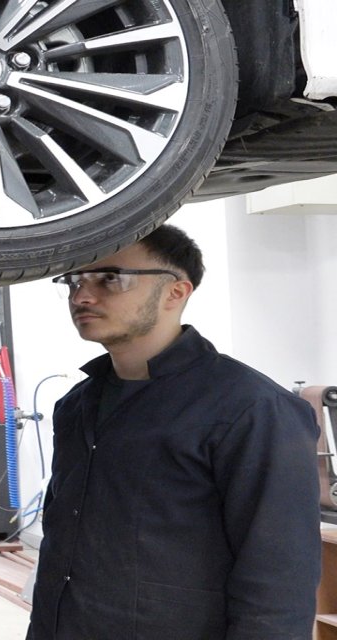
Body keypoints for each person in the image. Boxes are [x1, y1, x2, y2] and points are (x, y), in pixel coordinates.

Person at [29, 224, 321, 639]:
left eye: (110, 278)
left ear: (175, 292)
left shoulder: (251, 409)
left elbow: (279, 576)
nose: (82, 296)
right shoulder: (77, 405)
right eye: (75, 280)